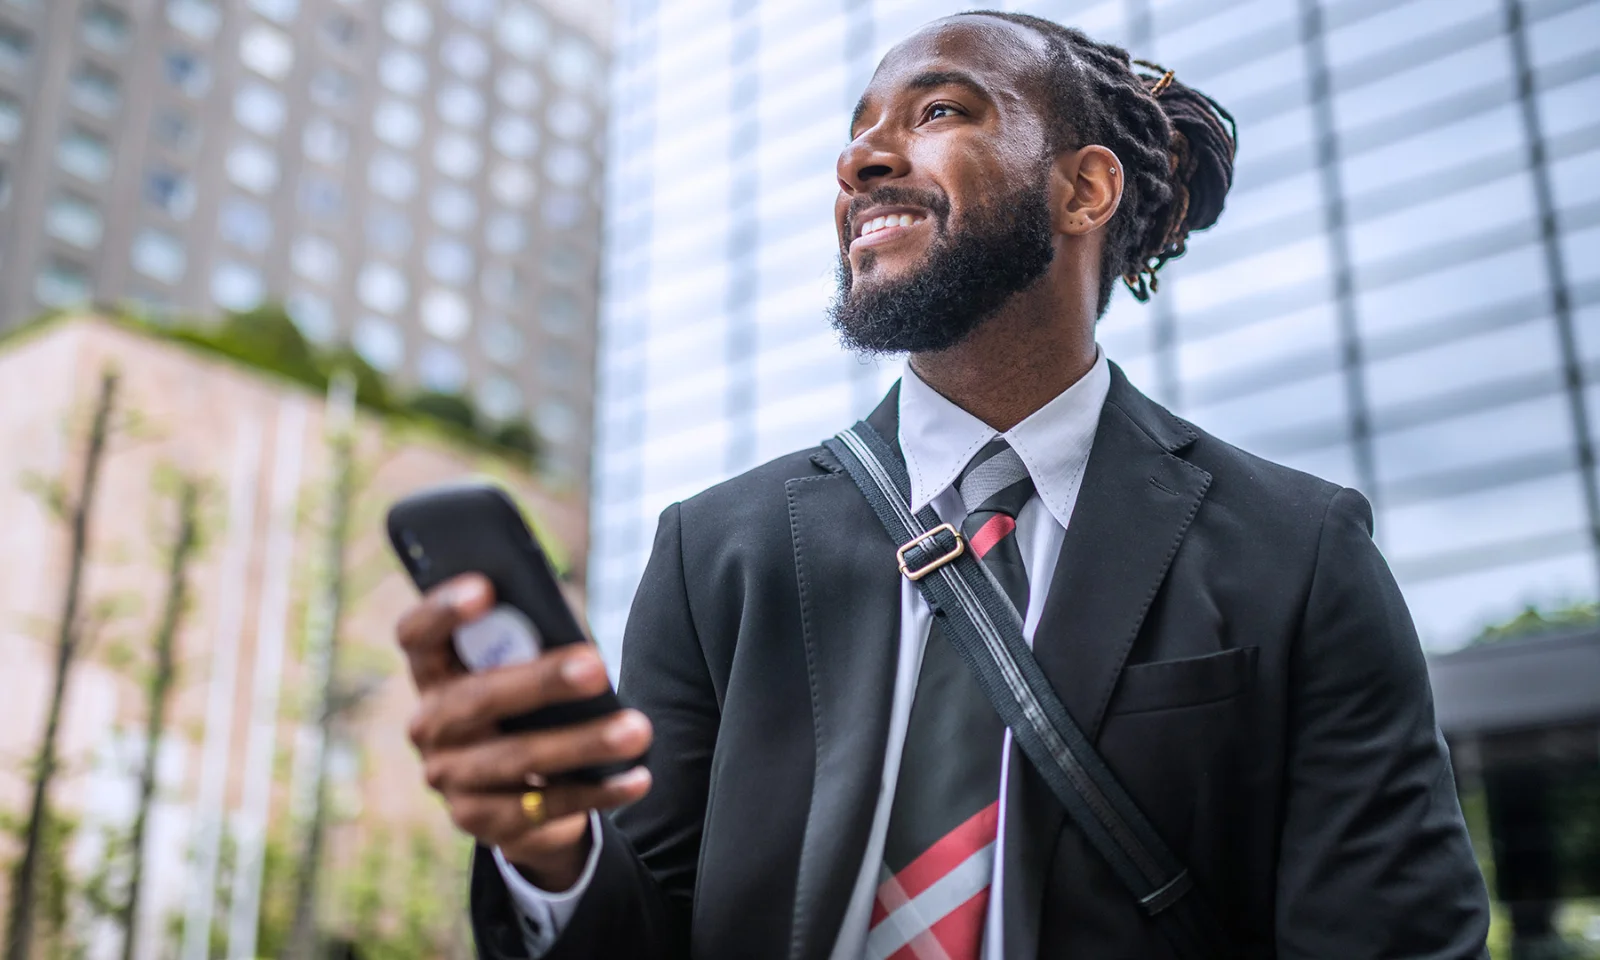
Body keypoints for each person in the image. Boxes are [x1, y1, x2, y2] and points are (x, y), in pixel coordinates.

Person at [396, 12, 1492, 959]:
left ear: (1083, 187)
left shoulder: (1297, 550)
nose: (860, 160)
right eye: (858, 129)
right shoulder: (712, 550)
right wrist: (550, 852)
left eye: (935, 113)